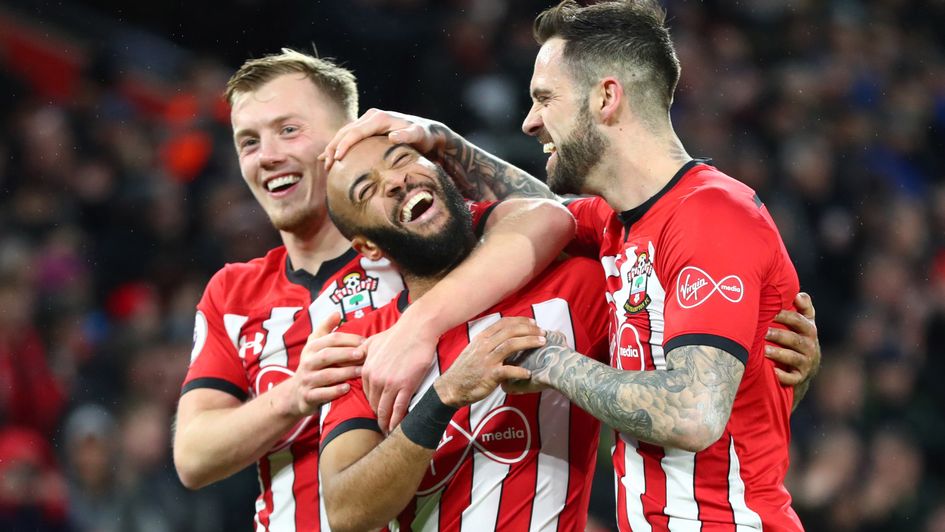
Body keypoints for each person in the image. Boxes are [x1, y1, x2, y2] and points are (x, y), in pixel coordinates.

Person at [320, 1, 819, 529]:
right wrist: (441, 140)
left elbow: (694, 414)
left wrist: (548, 362)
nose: (530, 121)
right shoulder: (614, 225)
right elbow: (538, 214)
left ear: (606, 98)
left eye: (545, 98)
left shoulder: (712, 215)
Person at [172, 49, 578, 531]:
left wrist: (444, 143)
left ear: (347, 134)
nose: (268, 156)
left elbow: (551, 216)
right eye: (248, 142)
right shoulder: (233, 293)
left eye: (289, 130)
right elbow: (193, 457)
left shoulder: (418, 240)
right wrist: (294, 396)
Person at [318, 135, 611, 531]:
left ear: (447, 177)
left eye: (402, 158)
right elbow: (347, 512)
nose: (394, 181)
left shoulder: (577, 286)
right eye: (368, 189)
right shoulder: (365, 346)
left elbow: (561, 214)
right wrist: (442, 399)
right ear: (368, 246)